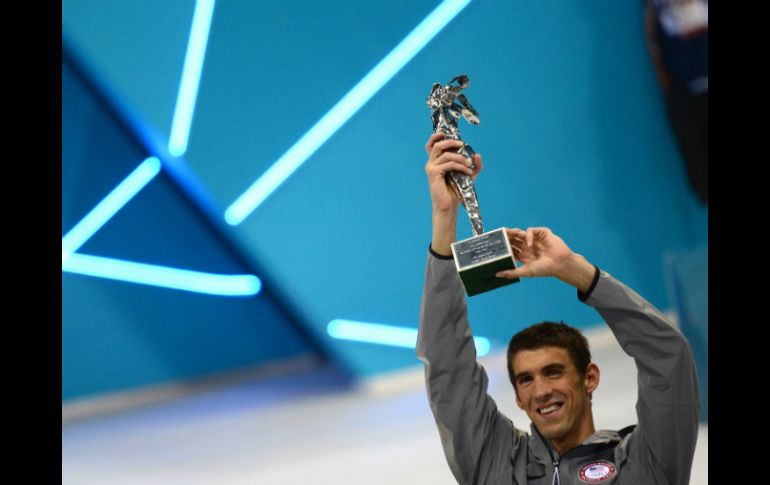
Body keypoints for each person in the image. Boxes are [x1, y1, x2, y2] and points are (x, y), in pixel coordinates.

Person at [417, 133, 700, 484]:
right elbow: (446, 364)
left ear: (589, 378)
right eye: (526, 380)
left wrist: (578, 272)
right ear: (518, 398)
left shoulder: (645, 462)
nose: (541, 390)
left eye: (553, 372)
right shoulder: (495, 464)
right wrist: (445, 216)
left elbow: (668, 357)